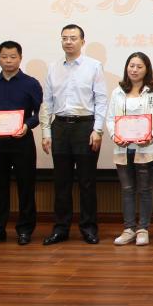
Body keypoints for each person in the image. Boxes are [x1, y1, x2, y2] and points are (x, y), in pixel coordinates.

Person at [40, 24, 107, 245]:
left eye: (73, 38)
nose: (68, 42)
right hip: (60, 127)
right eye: (64, 38)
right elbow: (47, 103)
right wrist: (46, 132)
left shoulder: (94, 66)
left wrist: (98, 130)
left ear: (82, 41)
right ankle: (61, 228)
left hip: (85, 126)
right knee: (61, 182)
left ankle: (89, 228)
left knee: (87, 182)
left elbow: (101, 100)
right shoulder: (53, 67)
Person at [0, 40, 43, 246]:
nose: (8, 61)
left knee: (26, 186)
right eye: (4, 57)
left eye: (13, 57)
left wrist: (27, 125)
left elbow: (40, 112)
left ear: (20, 58)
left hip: (22, 142)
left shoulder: (31, 83)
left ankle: (25, 229)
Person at [106, 52, 153, 247]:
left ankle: (143, 229)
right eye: (131, 65)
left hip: (145, 149)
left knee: (145, 189)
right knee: (127, 189)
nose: (134, 70)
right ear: (126, 67)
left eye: (139, 66)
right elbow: (110, 119)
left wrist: (151, 137)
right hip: (122, 148)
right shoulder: (117, 91)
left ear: (146, 69)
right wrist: (114, 136)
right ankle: (129, 229)